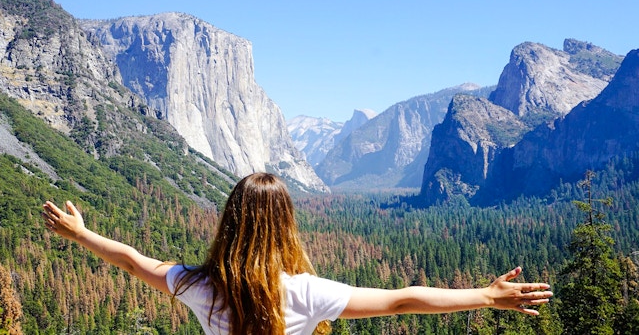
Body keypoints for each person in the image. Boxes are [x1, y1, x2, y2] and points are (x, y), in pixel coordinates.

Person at [42, 172, 552, 335]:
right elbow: (401, 301)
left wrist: (81, 233)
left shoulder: (200, 286)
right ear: (285, 225)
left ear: (230, 221)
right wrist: (486, 295)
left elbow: (133, 261)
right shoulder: (303, 293)